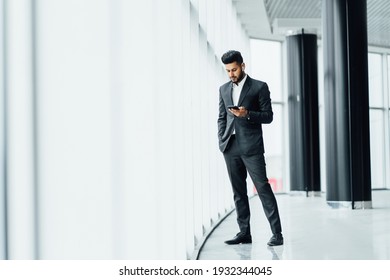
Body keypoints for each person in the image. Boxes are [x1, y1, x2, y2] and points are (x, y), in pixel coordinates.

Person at [217, 50, 283, 246]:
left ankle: (277, 234)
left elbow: (268, 116)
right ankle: (244, 233)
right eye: (228, 70)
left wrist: (247, 114)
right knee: (238, 192)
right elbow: (222, 116)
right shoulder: (223, 89)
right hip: (230, 146)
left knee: (263, 188)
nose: (231, 74)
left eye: (234, 69)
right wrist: (221, 139)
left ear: (243, 66)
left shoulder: (259, 87)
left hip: (252, 147)